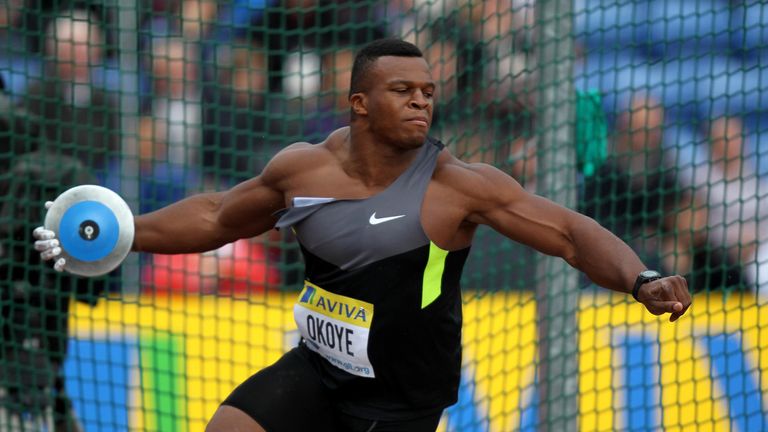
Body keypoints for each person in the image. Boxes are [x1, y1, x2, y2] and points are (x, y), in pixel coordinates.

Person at [34, 38, 691, 432]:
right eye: (402, 90)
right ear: (357, 104)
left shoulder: (455, 186)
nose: (421, 102)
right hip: (319, 371)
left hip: (400, 402)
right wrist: (120, 231)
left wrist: (639, 277)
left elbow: (571, 234)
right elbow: (214, 217)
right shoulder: (302, 168)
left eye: (428, 91)